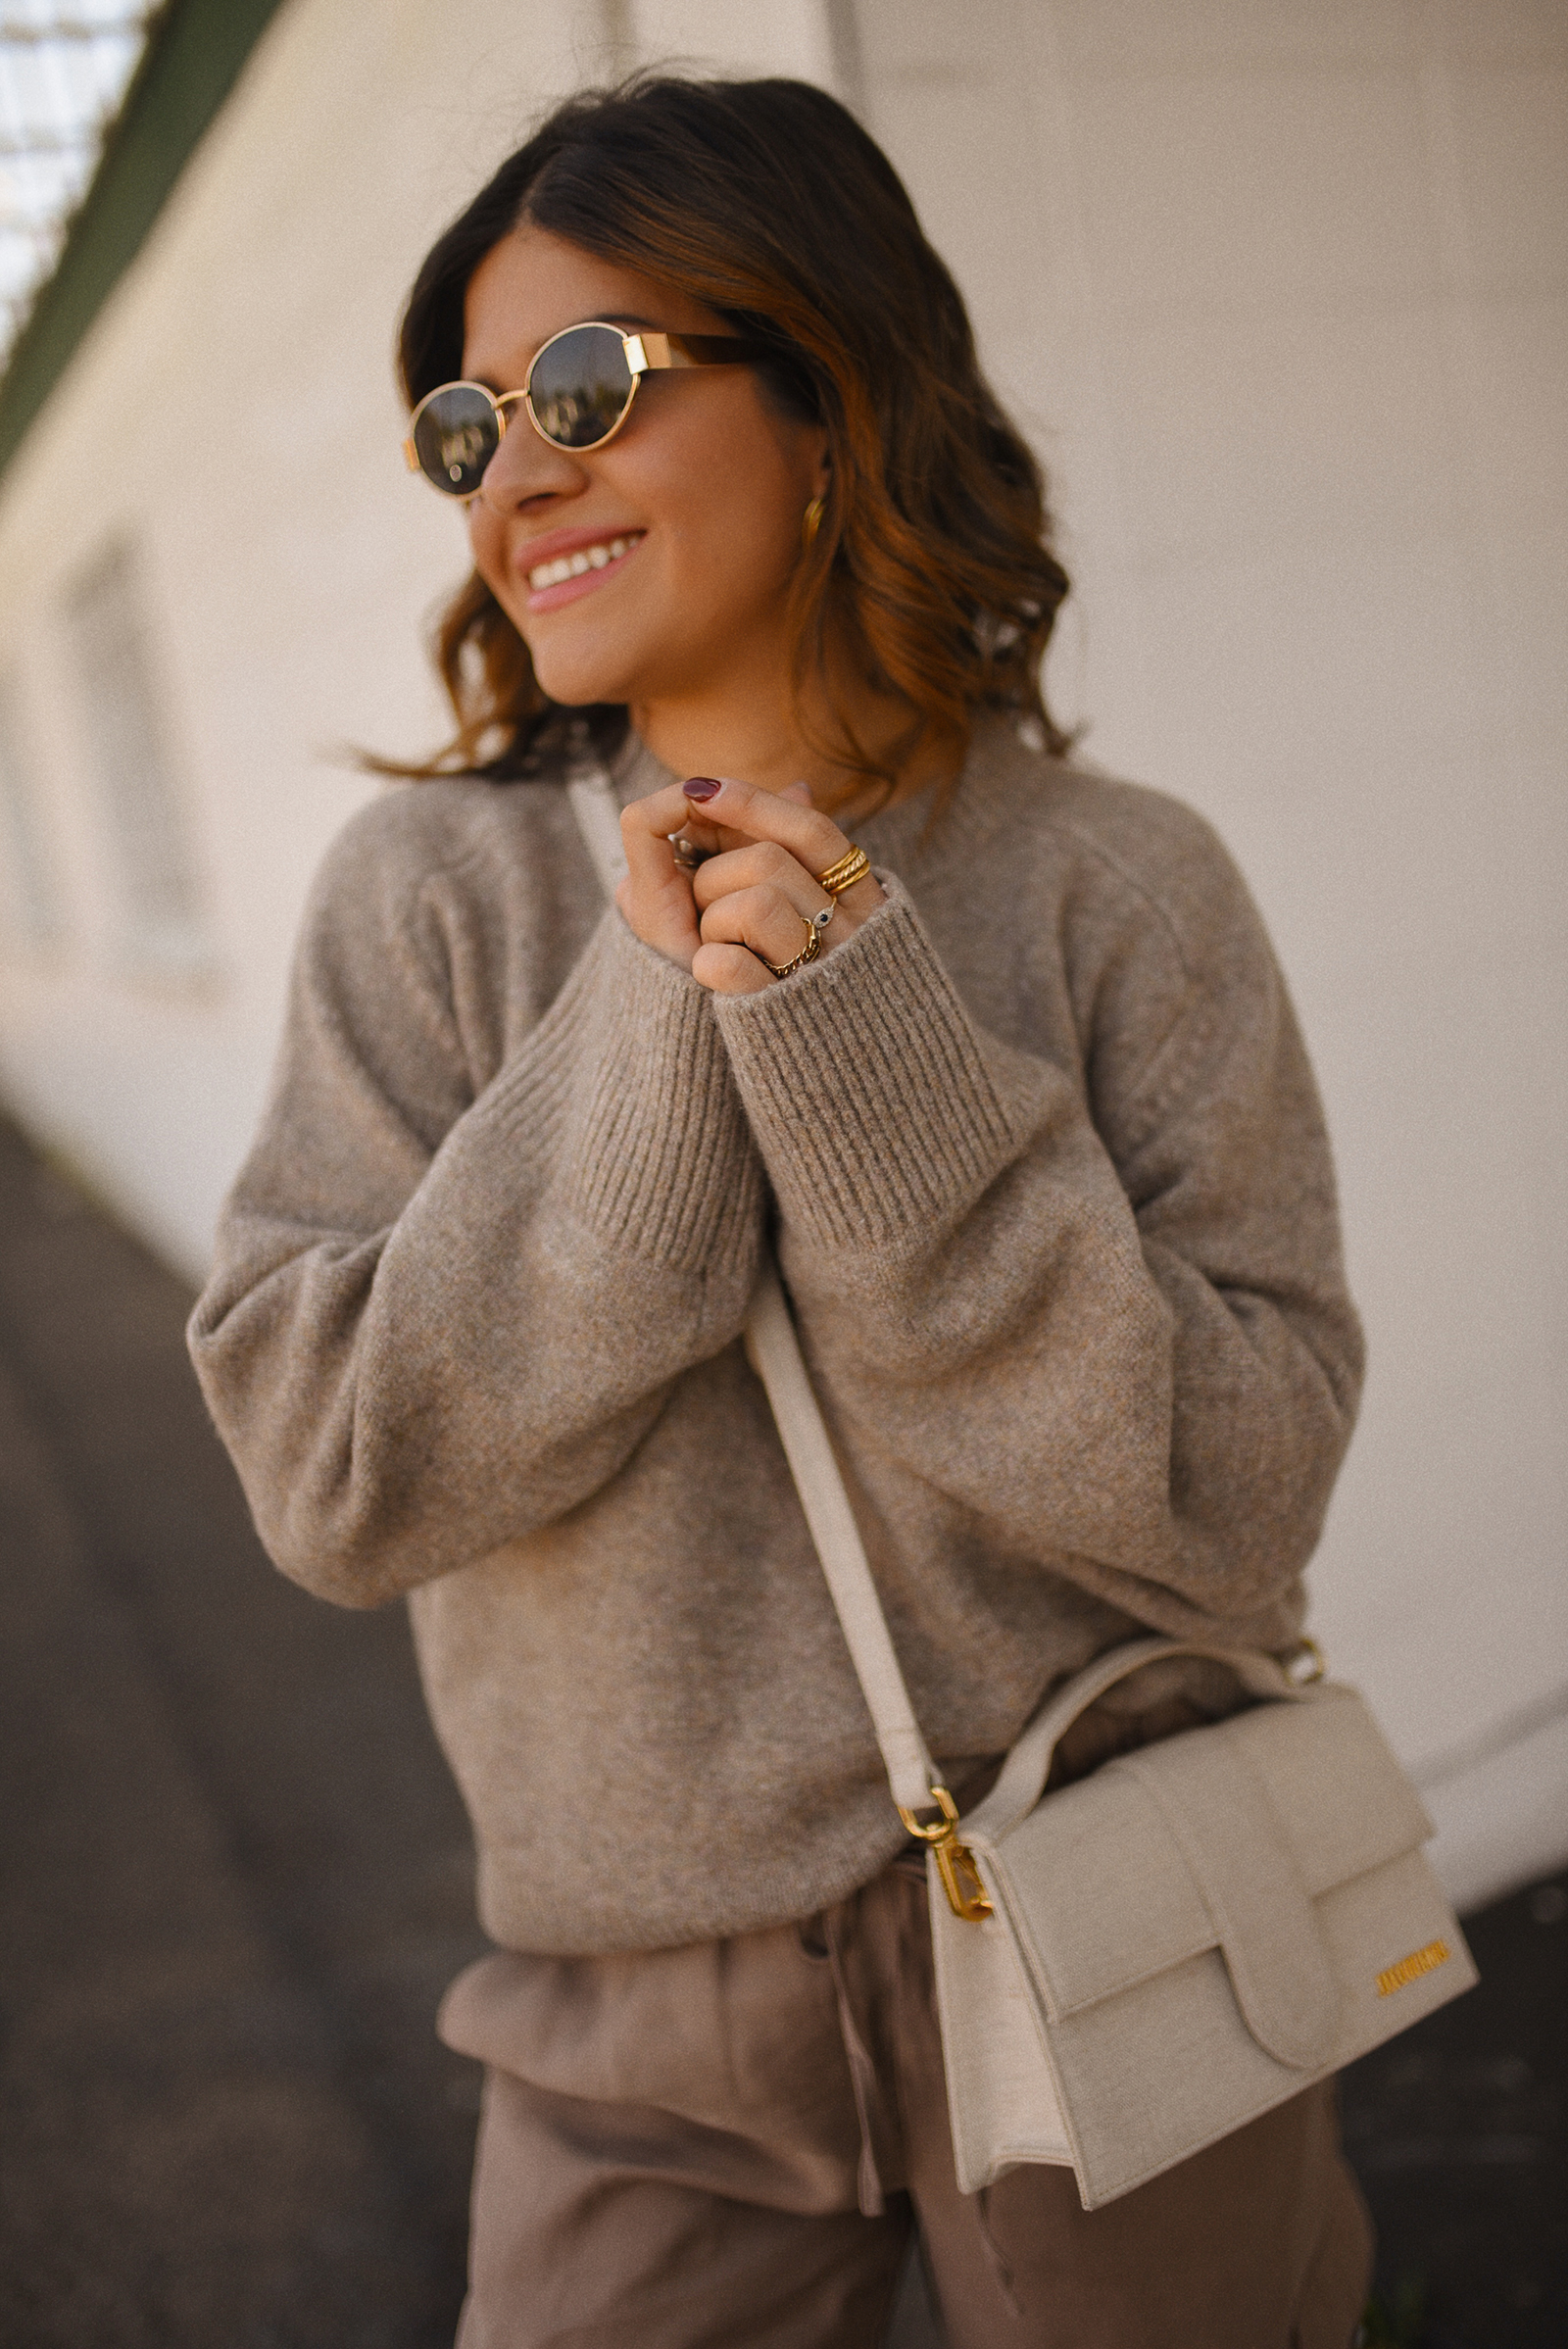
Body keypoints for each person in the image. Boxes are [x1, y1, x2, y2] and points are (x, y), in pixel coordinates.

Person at [189, 73, 1374, 2349]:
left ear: (828, 396)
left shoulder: (1124, 887)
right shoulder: (427, 900)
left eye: (585, 385)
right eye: (464, 426)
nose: (515, 472)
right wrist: (642, 1023)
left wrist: (882, 1082)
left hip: (1121, 1920)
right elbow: (333, 1478)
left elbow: (1238, 1496)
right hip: (635, 2017)